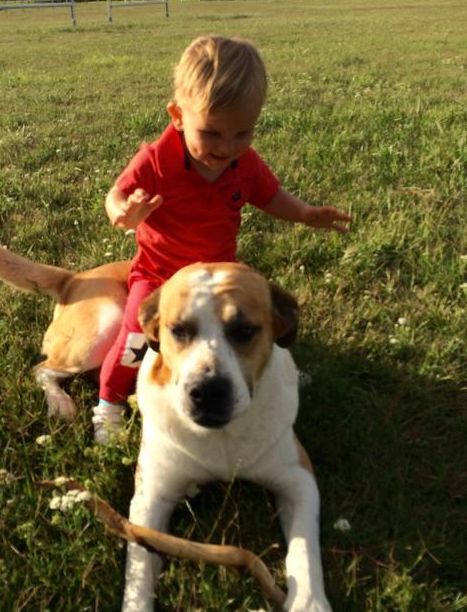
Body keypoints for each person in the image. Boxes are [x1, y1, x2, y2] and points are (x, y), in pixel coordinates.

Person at [92, 35, 352, 443]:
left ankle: (276, 370)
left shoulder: (243, 163)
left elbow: (269, 196)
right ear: (177, 115)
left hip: (217, 279)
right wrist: (124, 211)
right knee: (135, 338)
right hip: (159, 275)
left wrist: (303, 213)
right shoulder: (155, 160)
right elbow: (115, 195)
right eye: (211, 133)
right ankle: (109, 403)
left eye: (242, 134)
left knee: (247, 324)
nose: (226, 148)